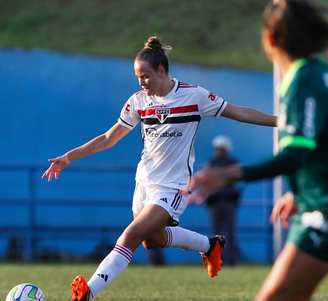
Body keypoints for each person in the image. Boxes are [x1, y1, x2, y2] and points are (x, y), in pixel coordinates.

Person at [42, 36, 276, 301]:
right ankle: (210, 245)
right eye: (137, 77)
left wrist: (281, 122)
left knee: (130, 235)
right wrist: (69, 157)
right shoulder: (138, 102)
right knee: (150, 241)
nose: (141, 82)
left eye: (145, 76)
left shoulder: (194, 96)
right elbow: (109, 137)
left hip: (173, 186)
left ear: (162, 71)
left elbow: (240, 112)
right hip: (143, 182)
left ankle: (88, 292)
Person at [187, 1, 328, 300]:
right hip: (315, 204)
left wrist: (228, 175)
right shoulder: (318, 73)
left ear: (270, 39)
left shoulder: (303, 82)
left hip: (322, 213)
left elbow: (294, 156)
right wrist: (302, 189)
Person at [204, 135, 240, 266]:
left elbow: (237, 179)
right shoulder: (212, 163)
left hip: (229, 202)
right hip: (215, 202)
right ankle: (217, 259)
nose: (217, 151)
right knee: (216, 233)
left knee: (230, 231)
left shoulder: (232, 163)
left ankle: (232, 259)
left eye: (220, 148)